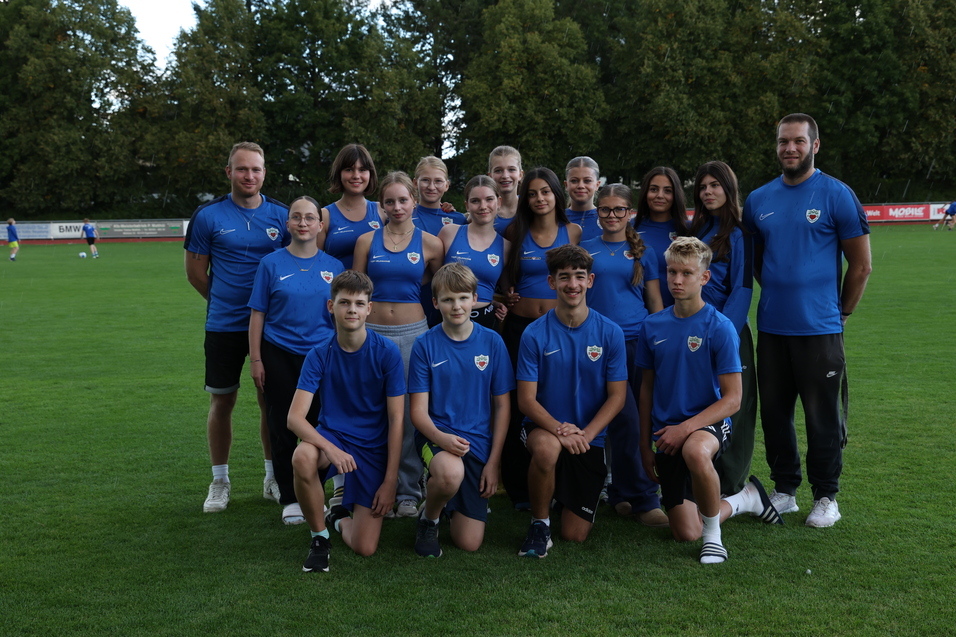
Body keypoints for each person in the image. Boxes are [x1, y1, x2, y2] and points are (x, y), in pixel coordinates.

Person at [743, 113, 872, 528]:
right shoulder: (758, 199)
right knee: (775, 414)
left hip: (820, 330)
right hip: (772, 328)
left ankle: (826, 496)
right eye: (784, 141)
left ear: (815, 145)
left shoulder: (837, 194)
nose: (790, 148)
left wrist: (842, 313)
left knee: (822, 417)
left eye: (798, 141)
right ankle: (785, 490)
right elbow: (757, 263)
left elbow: (861, 265)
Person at [637, 237, 782, 565]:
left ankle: (713, 539)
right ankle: (746, 499)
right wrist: (645, 444)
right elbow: (646, 390)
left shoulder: (720, 327)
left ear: (704, 277)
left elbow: (733, 400)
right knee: (685, 532)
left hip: (710, 424)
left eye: (687, 273)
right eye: (672, 272)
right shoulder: (652, 325)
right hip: (667, 433)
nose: (677, 280)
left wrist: (685, 428)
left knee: (695, 450)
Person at [184, 141, 290, 513]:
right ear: (229, 172)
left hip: (272, 327)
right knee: (222, 400)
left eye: (256, 169)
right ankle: (220, 481)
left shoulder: (281, 215)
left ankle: (273, 478)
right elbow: (196, 273)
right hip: (224, 325)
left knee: (271, 402)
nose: (249, 175)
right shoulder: (207, 216)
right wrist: (226, 301)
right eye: (242, 169)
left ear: (264, 173)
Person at [288, 271, 405, 571]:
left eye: (359, 303)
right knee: (303, 456)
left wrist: (390, 481)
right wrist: (331, 449)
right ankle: (319, 538)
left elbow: (396, 420)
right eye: (344, 302)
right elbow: (294, 418)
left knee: (365, 548)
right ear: (331, 306)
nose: (352, 309)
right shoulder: (318, 354)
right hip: (335, 437)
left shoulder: (387, 353)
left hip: (373, 447)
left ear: (369, 309)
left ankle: (337, 517)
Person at [516, 244, 627, 557]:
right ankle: (539, 524)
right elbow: (526, 401)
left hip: (588, 438)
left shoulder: (610, 333)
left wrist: (587, 434)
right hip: (545, 429)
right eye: (564, 277)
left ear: (590, 280)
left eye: (579, 276)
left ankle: (557, 493)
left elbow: (617, 397)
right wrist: (560, 430)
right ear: (551, 282)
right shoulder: (534, 334)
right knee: (547, 449)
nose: (572, 284)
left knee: (575, 535)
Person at [353, 171, 444, 518]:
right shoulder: (366, 241)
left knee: (407, 413)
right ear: (381, 205)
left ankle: (407, 489)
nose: (397, 206)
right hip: (371, 335)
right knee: (371, 410)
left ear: (414, 202)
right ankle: (370, 484)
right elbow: (357, 290)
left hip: (413, 334)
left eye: (403, 200)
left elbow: (438, 283)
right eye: (389, 201)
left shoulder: (431, 243)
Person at [408, 263, 514, 557]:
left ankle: (446, 501)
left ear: (475, 298)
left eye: (463, 298)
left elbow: (502, 405)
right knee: (450, 473)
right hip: (436, 436)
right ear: (435, 303)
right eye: (448, 299)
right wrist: (441, 439)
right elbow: (418, 412)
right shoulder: (425, 344)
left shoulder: (492, 342)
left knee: (469, 543)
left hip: (477, 444)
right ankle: (429, 519)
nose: (456, 306)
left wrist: (493, 462)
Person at [248, 196, 343, 525]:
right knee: (281, 425)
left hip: (322, 356)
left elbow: (341, 318)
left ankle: (317, 490)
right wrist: (256, 359)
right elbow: (257, 314)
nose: (303, 223)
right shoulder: (270, 264)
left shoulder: (334, 267)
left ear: (320, 225)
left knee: (321, 423)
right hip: (278, 353)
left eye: (310, 218)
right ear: (287, 224)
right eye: (296, 217)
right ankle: (290, 497)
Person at [579, 184, 667, 527]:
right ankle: (633, 496)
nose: (612, 215)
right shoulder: (585, 249)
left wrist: (660, 343)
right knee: (620, 420)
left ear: (630, 212)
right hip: (598, 346)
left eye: (619, 209)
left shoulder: (645, 252)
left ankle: (633, 496)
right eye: (605, 209)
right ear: (597, 212)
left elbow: (655, 302)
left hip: (637, 342)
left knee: (639, 420)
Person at [500, 167, 582, 510]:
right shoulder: (515, 230)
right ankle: (519, 487)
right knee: (518, 402)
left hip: (561, 330)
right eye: (532, 193)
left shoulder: (572, 231)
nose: (539, 199)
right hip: (520, 329)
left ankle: (563, 480)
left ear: (556, 195)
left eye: (545, 192)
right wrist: (505, 295)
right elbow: (501, 274)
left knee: (556, 398)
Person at [687, 162, 756, 496]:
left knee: (733, 409)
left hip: (729, 334)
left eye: (715, 185)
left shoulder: (741, 234)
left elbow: (742, 288)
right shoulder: (697, 230)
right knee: (700, 402)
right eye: (702, 187)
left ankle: (729, 485)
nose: (708, 192)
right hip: (692, 334)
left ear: (729, 189)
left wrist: (723, 333)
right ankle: (699, 478)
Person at [438, 175, 509, 330]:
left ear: (499, 202)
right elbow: (434, 279)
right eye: (475, 201)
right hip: (449, 320)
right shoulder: (449, 233)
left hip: (486, 322)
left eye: (489, 199)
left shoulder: (506, 247)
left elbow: (504, 290)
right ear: (467, 205)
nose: (483, 206)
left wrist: (496, 303)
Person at [317, 144, 385, 270]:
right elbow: (314, 264)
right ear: (339, 173)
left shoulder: (382, 211)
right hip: (336, 282)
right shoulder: (325, 215)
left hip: (375, 283)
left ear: (370, 174)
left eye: (362, 169)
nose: (356, 175)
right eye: (349, 169)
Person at [632, 167, 688, 308]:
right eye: (654, 189)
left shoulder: (688, 230)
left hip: (678, 313)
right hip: (638, 314)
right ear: (645, 192)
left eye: (667, 191)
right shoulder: (630, 228)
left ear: (676, 195)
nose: (660, 195)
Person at [412, 156, 467, 235]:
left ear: (446, 185)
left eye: (438, 181)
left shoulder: (459, 220)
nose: (431, 187)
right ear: (415, 183)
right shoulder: (405, 216)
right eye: (425, 180)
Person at [564, 157, 603, 242]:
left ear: (597, 185)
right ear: (566, 185)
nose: (581, 186)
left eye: (587, 181)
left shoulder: (607, 219)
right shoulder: (556, 219)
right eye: (574, 181)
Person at [487, 146, 523, 234]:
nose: (505, 176)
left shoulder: (531, 206)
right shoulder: (483, 211)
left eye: (511, 169)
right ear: (490, 176)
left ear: (520, 175)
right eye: (498, 171)